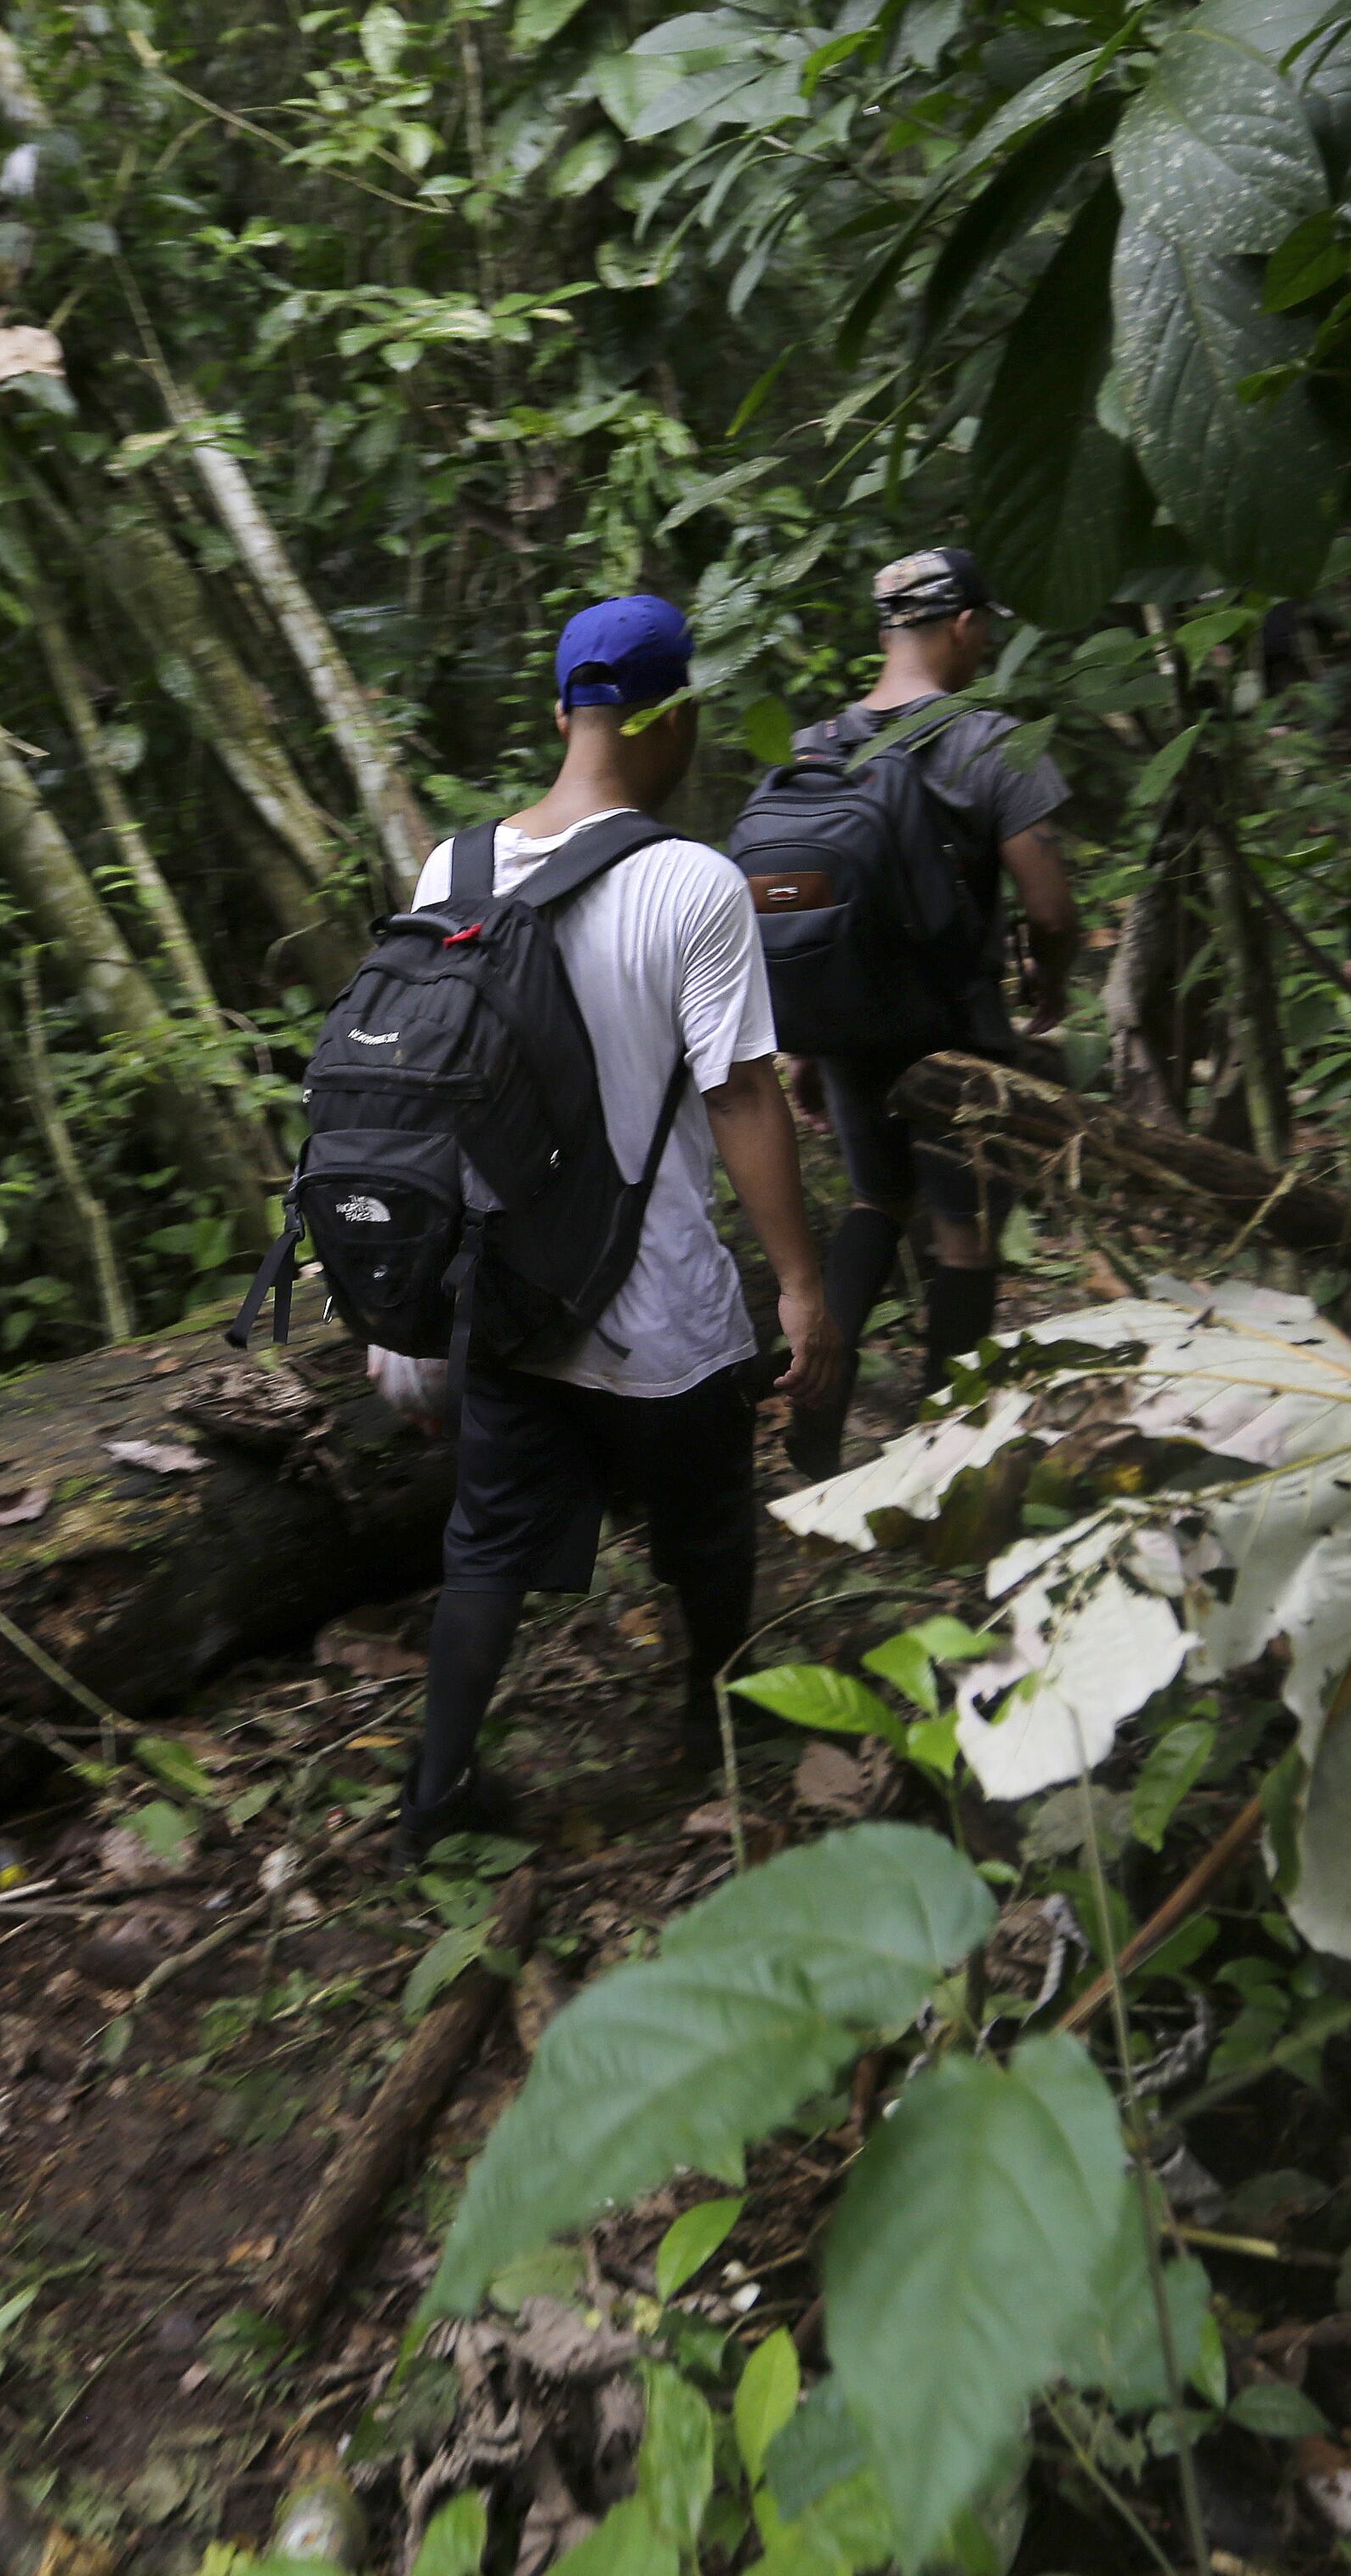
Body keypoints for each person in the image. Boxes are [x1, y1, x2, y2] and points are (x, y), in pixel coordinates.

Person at [396, 595, 841, 1863]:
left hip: (509, 1294)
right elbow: (744, 1090)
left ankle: (434, 1802)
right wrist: (801, 1284)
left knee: (485, 1544)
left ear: (559, 713)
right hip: (658, 1311)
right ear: (672, 715)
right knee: (708, 1524)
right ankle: (715, 1725)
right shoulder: (694, 882)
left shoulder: (454, 868)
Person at [774, 546, 1074, 1479]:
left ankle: (815, 1419)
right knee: (963, 1237)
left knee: (873, 1204)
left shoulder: (817, 744)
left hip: (852, 1032)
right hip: (953, 1033)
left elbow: (810, 917)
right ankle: (947, 1451)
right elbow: (1050, 909)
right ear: (964, 626)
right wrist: (1051, 987)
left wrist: (808, 1048)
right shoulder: (988, 740)